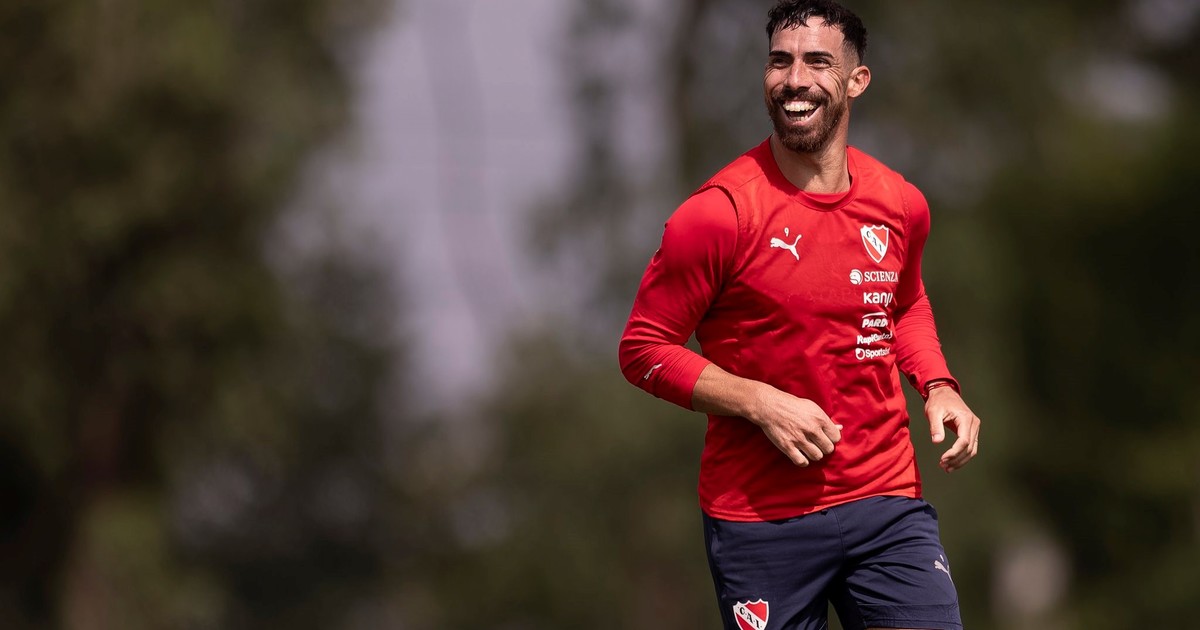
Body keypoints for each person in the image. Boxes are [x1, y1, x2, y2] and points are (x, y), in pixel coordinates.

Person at [617, 1, 982, 628]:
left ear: (857, 80)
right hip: (760, 521)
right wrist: (761, 402)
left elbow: (903, 302)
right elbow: (644, 351)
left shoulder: (901, 204)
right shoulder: (718, 214)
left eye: (817, 62)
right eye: (779, 62)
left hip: (885, 501)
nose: (794, 80)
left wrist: (938, 383)